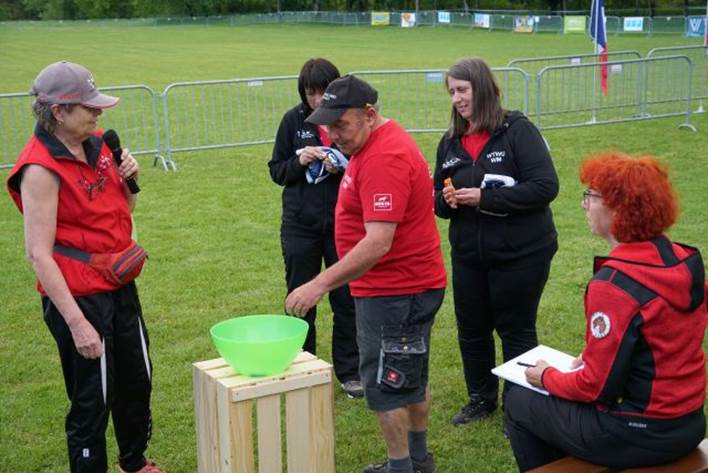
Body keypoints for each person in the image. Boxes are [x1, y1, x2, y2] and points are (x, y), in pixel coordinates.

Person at [285, 75, 447, 473]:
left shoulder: (383, 157)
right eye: (328, 125)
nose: (333, 135)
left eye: (342, 125)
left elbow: (378, 243)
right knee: (408, 374)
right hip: (405, 286)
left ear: (370, 114)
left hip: (395, 291)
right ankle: (418, 459)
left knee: (386, 385)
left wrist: (319, 283)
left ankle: (402, 467)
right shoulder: (376, 142)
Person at [505, 152, 707, 471]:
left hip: (641, 432)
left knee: (519, 400)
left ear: (619, 209)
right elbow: (661, 337)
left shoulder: (614, 284)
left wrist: (546, 375)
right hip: (689, 420)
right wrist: (593, 357)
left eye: (591, 196)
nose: (585, 204)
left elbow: (594, 387)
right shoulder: (683, 259)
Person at [6, 61, 162, 473]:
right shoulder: (40, 168)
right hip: (79, 296)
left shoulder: (99, 145)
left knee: (136, 380)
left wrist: (131, 178)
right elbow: (38, 253)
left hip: (119, 282)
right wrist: (77, 323)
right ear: (58, 112)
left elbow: (122, 211)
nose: (99, 113)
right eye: (88, 106)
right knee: (93, 398)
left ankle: (134, 461)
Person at [433, 57, 559, 426]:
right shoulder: (451, 141)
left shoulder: (517, 130)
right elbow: (436, 197)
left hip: (521, 253)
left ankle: (517, 410)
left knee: (515, 329)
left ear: (482, 89)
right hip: (470, 254)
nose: (456, 98)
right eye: (451, 91)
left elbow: (545, 187)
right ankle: (481, 399)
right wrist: (448, 199)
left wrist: (485, 199)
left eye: (462, 90)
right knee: (471, 328)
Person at [268, 58, 363, 398]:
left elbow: (366, 167)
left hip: (343, 226)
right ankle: (302, 367)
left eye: (325, 91)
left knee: (347, 299)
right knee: (301, 298)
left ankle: (350, 373)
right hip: (300, 227)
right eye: (312, 93)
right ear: (303, 93)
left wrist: (343, 165)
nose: (319, 99)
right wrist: (300, 161)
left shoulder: (349, 122)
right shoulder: (293, 122)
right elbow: (277, 170)